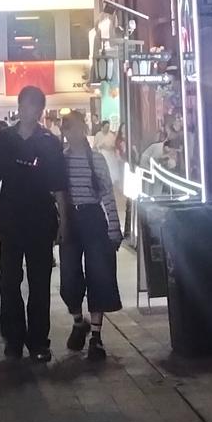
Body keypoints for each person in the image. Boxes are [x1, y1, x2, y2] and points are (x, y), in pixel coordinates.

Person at [0, 85, 68, 363]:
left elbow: (59, 186)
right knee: (9, 282)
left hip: (41, 220)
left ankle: (39, 341)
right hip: (10, 219)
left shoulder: (49, 142)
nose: (29, 110)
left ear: (41, 110)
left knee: (40, 283)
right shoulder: (4, 140)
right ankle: (13, 339)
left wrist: (64, 222)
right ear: (19, 107)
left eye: (34, 106)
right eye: (25, 104)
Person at [59, 112, 123, 361]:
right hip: (70, 221)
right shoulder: (61, 160)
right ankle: (79, 321)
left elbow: (107, 194)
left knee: (99, 275)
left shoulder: (96, 159)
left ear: (83, 128)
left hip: (93, 218)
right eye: (66, 128)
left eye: (74, 127)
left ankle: (96, 335)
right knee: (69, 279)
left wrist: (114, 228)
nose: (70, 132)